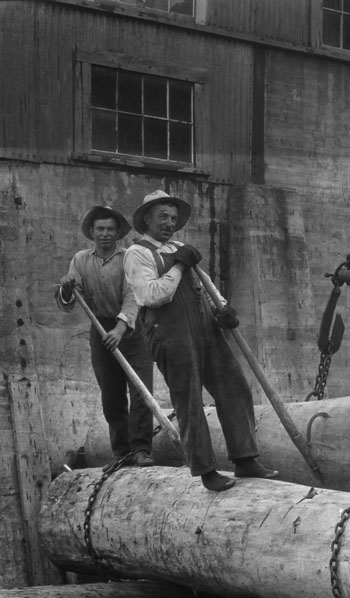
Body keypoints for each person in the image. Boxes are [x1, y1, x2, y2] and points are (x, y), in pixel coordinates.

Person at [123, 189, 278, 491]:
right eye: (162, 217)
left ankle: (245, 458)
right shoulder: (137, 254)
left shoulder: (181, 247)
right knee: (189, 400)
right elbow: (152, 296)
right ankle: (206, 471)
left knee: (235, 387)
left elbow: (203, 285)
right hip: (170, 334)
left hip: (205, 328)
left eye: (173, 218)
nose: (169, 223)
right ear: (146, 220)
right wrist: (180, 265)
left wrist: (223, 307)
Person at [56, 206, 155, 467]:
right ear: (91, 232)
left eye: (111, 229)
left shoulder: (128, 258)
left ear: (119, 233)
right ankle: (121, 451)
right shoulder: (80, 260)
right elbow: (67, 301)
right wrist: (67, 288)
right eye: (100, 229)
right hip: (100, 329)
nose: (105, 234)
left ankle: (142, 449)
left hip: (132, 330)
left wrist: (120, 329)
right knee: (111, 395)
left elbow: (132, 296)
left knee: (141, 392)